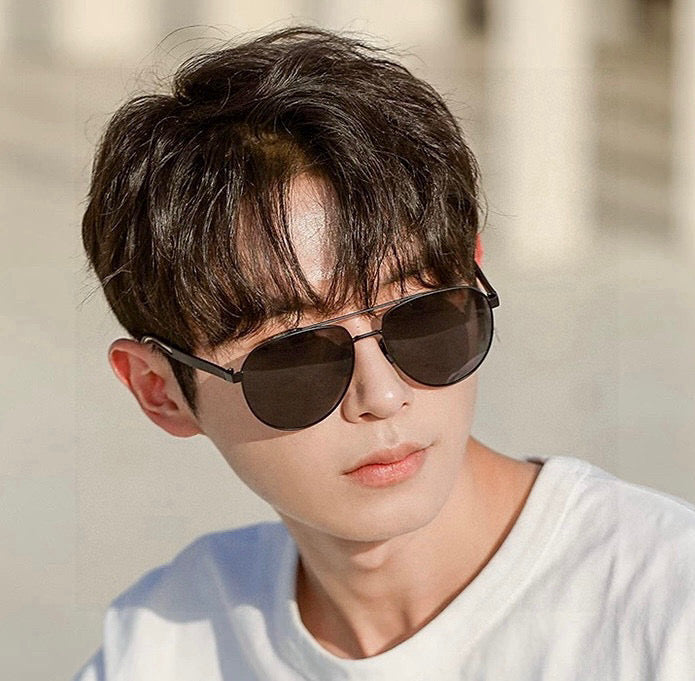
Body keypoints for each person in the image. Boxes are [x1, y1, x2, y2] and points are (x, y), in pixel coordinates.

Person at [74, 26, 694, 681]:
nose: (383, 395)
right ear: (159, 390)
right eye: (296, 355)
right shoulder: (165, 641)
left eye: (421, 317)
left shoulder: (666, 611)